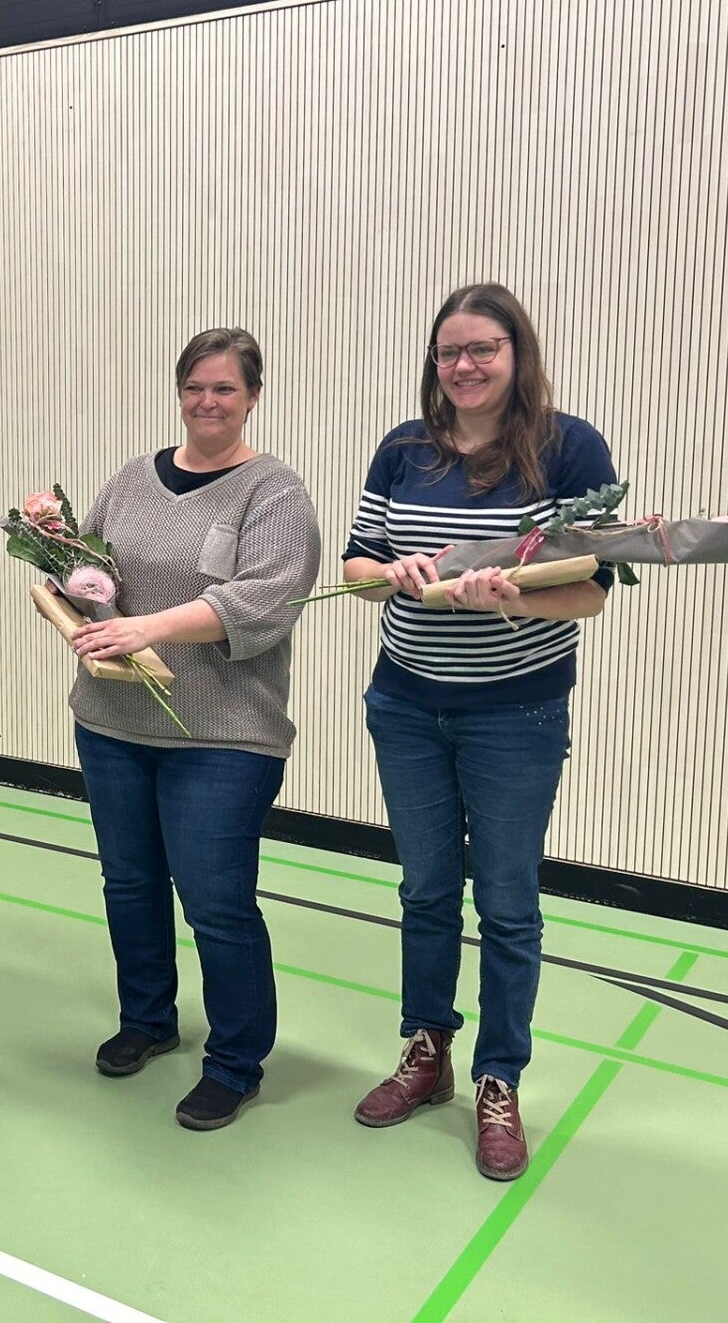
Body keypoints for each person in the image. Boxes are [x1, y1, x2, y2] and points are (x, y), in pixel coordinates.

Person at [341, 282, 616, 1181]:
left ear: (516, 353)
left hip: (515, 714)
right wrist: (391, 573)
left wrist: (515, 601)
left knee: (505, 902)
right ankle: (426, 1052)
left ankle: (500, 1080)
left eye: (482, 349)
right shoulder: (404, 449)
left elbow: (591, 593)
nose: (464, 365)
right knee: (425, 890)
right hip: (405, 705)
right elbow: (357, 566)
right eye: (449, 351)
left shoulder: (570, 450)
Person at [69, 326, 321, 1131]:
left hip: (223, 736)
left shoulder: (274, 493)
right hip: (113, 721)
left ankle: (236, 1062)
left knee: (216, 902)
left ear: (253, 397)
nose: (207, 402)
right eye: (194, 387)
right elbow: (90, 565)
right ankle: (147, 1018)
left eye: (225, 389)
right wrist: (74, 579)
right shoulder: (131, 479)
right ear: (179, 392)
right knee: (129, 883)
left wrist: (149, 627)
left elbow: (263, 602)